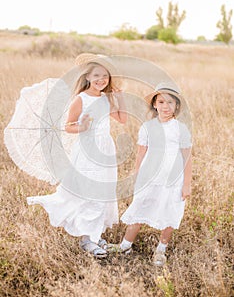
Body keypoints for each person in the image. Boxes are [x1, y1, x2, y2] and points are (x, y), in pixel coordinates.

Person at [27, 53, 127, 258]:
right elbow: (67, 126)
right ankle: (86, 240)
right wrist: (81, 126)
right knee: (89, 192)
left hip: (105, 149)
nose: (101, 80)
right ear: (88, 76)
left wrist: (120, 99)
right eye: (97, 75)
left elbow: (123, 119)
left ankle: (94, 234)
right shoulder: (81, 99)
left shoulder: (107, 98)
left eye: (105, 76)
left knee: (102, 192)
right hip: (87, 150)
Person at [110, 83, 192, 266]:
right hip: (150, 177)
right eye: (161, 101)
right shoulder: (147, 127)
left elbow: (187, 158)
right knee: (140, 206)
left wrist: (186, 183)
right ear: (155, 104)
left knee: (170, 209)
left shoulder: (180, 129)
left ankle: (161, 250)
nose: (165, 106)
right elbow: (141, 153)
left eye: (170, 102)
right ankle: (125, 245)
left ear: (176, 106)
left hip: (172, 180)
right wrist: (137, 176)